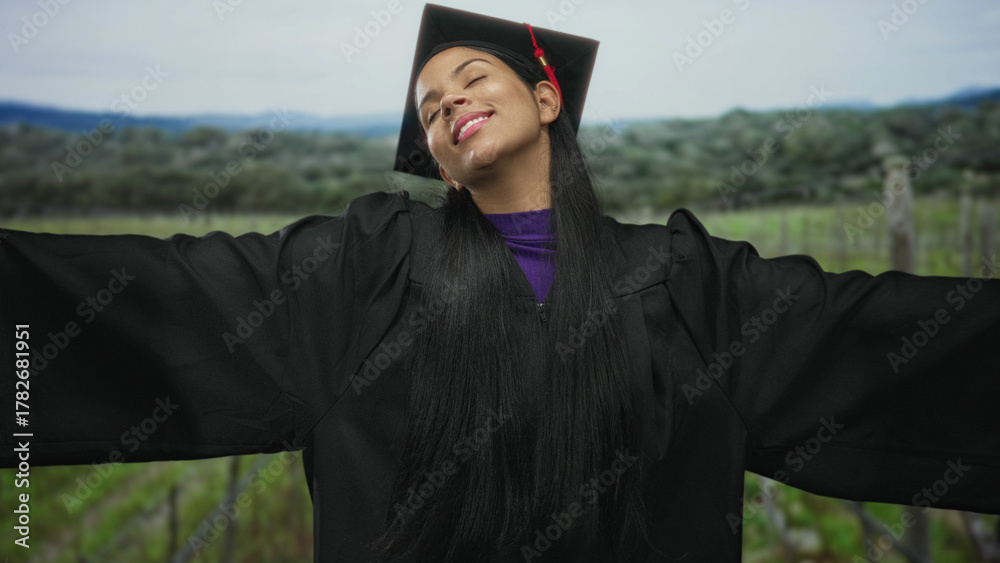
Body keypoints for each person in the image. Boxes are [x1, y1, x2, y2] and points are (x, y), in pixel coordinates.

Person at [2, 3, 999, 562]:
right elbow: (157, 300)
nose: (447, 103)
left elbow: (888, 348)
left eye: (470, 75)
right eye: (429, 105)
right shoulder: (353, 280)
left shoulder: (691, 285)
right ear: (434, 157)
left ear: (544, 93)